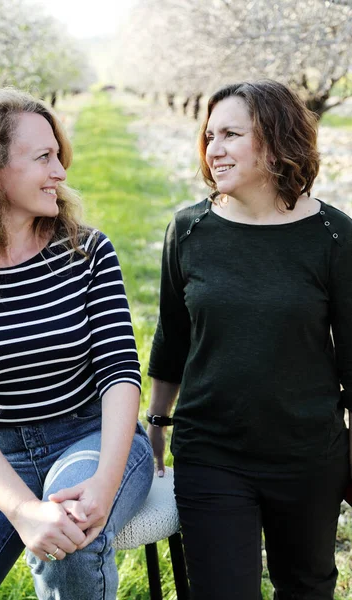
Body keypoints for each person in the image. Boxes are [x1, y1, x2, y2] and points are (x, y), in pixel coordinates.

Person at [147, 79, 352, 599]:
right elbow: (172, 339)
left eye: (231, 134)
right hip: (211, 451)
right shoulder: (189, 229)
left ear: (278, 139)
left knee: (307, 587)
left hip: (308, 455)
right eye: (210, 135)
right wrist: (156, 428)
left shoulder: (334, 236)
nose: (213, 148)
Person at [0, 88, 153, 600]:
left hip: (92, 437)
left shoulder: (87, 251)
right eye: (43, 158)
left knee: (74, 533)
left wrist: (105, 488)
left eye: (58, 156)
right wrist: (21, 510)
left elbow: (119, 373)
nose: (61, 171)